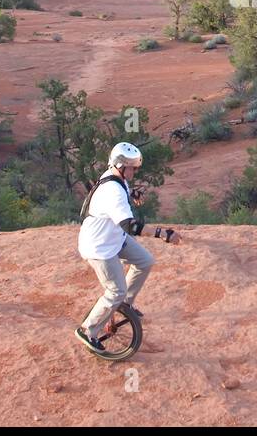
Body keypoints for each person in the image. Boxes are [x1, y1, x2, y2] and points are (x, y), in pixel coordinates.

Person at [75, 142, 179, 353]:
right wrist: (162, 233)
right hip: (100, 247)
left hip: (114, 238)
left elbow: (122, 197)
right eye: (132, 167)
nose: (135, 171)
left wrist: (132, 196)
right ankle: (88, 330)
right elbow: (130, 226)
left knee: (145, 261)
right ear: (121, 166)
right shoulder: (113, 190)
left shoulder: (116, 177)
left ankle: (125, 306)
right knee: (115, 291)